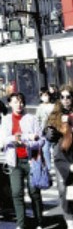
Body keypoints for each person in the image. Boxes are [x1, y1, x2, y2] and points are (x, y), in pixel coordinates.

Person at [0, 92, 44, 229]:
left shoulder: (31, 118)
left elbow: (41, 140)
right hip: (15, 161)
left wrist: (30, 142)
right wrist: (18, 138)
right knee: (16, 193)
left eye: (20, 102)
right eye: (15, 102)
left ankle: (40, 222)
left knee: (34, 192)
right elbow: (3, 140)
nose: (18, 105)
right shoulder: (6, 119)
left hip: (31, 160)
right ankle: (21, 224)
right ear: (10, 104)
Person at [44, 85, 73, 228]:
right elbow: (47, 133)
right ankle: (69, 221)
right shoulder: (55, 114)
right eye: (62, 97)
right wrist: (50, 133)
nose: (66, 100)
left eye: (68, 97)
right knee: (63, 189)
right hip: (61, 157)